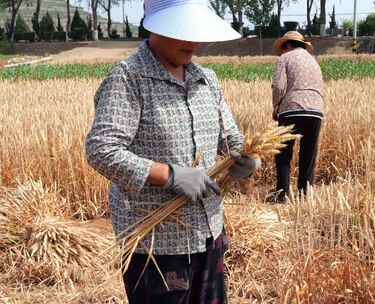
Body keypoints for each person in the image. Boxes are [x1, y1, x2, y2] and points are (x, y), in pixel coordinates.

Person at [85, 0, 259, 302]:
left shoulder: (206, 79)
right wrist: (168, 175)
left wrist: (246, 157)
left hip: (208, 231)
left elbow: (230, 138)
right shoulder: (129, 78)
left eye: (196, 31)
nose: (194, 43)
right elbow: (101, 149)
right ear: (157, 28)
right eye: (183, 31)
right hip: (156, 244)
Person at [270, 31, 324, 203]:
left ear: (287, 45)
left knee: (283, 153)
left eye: (283, 48)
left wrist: (276, 107)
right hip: (316, 111)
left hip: (291, 109)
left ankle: (282, 195)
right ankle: (304, 196)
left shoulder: (284, 59)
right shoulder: (314, 61)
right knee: (308, 155)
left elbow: (279, 86)